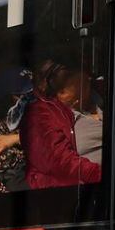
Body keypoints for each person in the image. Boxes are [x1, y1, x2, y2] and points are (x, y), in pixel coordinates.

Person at [23, 61, 102, 189]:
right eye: (81, 87)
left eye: (86, 85)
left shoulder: (91, 103)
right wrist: (102, 175)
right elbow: (58, 160)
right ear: (61, 93)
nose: (86, 92)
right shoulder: (39, 114)